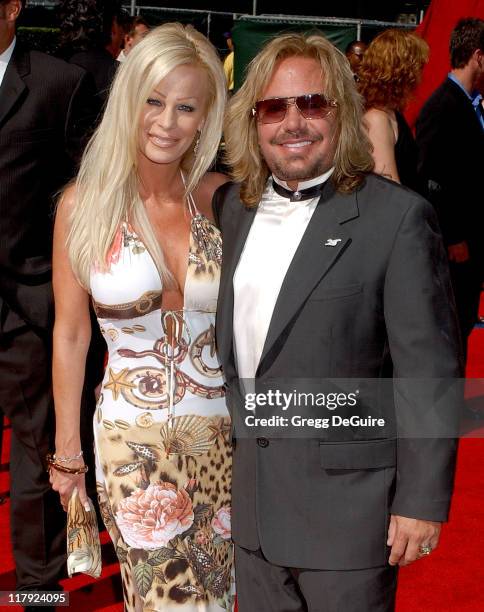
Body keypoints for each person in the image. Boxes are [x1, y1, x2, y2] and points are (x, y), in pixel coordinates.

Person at [214, 31, 462, 612]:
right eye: (275, 107)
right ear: (253, 121)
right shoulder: (234, 208)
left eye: (312, 103)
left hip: (350, 516)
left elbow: (427, 370)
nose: (293, 122)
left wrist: (422, 500)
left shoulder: (397, 220)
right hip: (252, 517)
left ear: (343, 113)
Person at [50, 23, 234, 611]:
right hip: (133, 450)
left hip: (226, 441)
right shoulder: (84, 206)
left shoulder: (221, 198)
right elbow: (72, 335)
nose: (166, 121)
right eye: (153, 100)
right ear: (129, 99)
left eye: (186, 106)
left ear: (206, 116)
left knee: (227, 594)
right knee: (164, 600)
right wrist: (67, 454)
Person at [0, 0, 96, 604]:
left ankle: (38, 592)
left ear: (12, 7)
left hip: (29, 304)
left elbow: (84, 186)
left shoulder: (60, 83)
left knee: (37, 466)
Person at [416, 17, 484, 352]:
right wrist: (454, 237)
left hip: (470, 243)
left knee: (464, 323)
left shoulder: (471, 105)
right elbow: (430, 180)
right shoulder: (441, 107)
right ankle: (444, 404)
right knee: (449, 330)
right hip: (454, 248)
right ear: (478, 57)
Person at [358, 29, 428, 192]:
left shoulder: (389, 112)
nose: (420, 75)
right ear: (403, 72)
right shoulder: (377, 119)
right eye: (417, 67)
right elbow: (389, 190)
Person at [58, 0, 125, 106]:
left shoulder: (50, 73)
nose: (124, 35)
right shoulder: (125, 78)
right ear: (113, 26)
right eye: (122, 23)